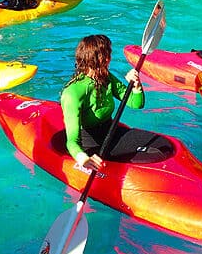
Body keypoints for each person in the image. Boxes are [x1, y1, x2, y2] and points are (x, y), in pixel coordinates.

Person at [60, 35, 145, 172]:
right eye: (108, 55)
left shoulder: (105, 77)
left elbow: (135, 104)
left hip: (111, 132)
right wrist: (83, 159)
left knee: (161, 146)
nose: (110, 59)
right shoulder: (72, 93)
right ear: (101, 59)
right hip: (91, 144)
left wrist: (136, 87)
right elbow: (72, 141)